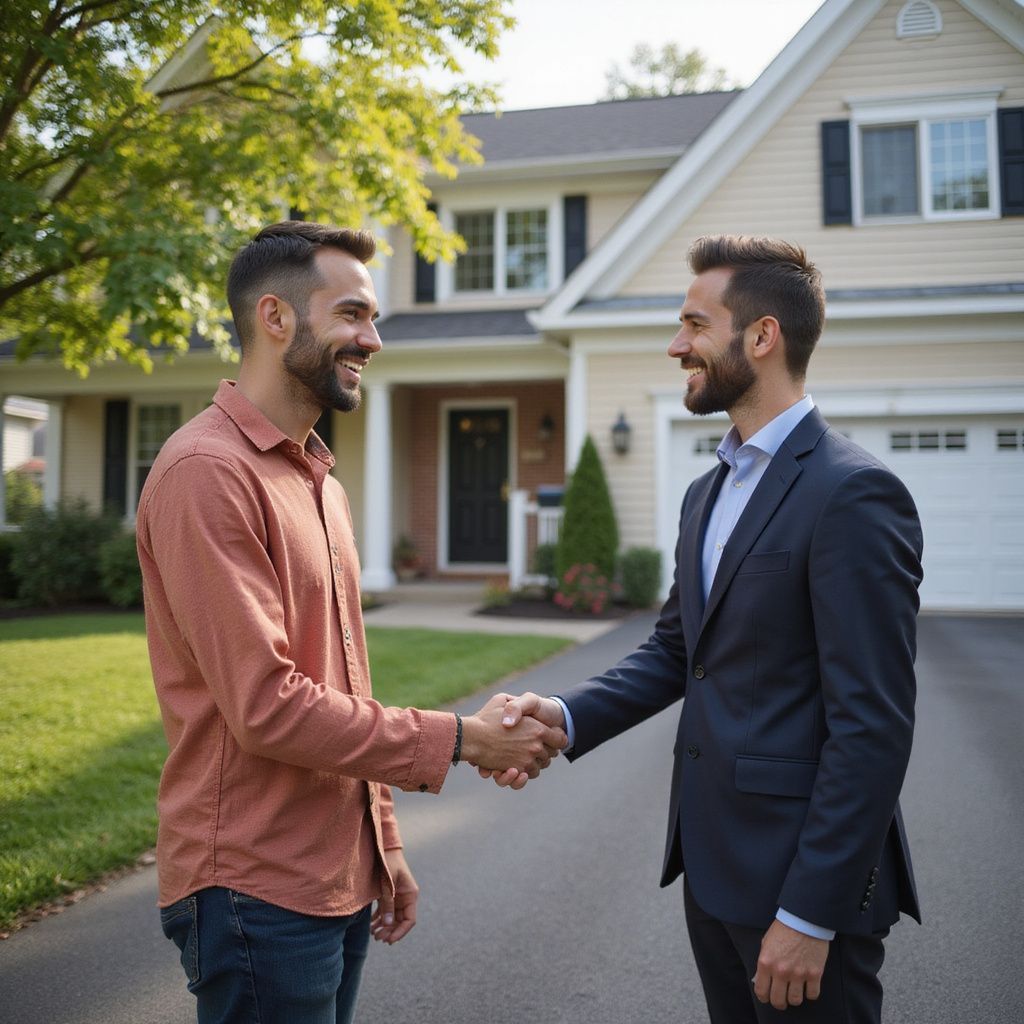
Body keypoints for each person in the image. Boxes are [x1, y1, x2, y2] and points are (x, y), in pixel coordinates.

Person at [136, 220, 565, 1024]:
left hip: (338, 869)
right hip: (254, 888)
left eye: (374, 321)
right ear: (276, 317)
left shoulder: (320, 480)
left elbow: (343, 677)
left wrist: (383, 842)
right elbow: (268, 705)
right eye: (353, 315)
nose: (372, 339)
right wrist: (465, 739)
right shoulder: (206, 473)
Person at [497, 235, 923, 1022]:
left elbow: (873, 726)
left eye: (694, 324)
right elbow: (676, 653)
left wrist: (808, 912)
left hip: (802, 888)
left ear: (761, 337)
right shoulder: (707, 491)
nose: (675, 345)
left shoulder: (854, 493)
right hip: (714, 869)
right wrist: (562, 715)